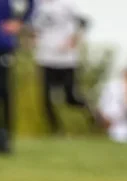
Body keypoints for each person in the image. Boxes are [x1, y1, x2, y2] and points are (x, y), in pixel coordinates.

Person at [32, 0, 94, 136]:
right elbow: (32, 27)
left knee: (70, 97)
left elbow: (83, 23)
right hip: (45, 58)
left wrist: (73, 41)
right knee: (45, 98)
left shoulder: (67, 5)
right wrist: (33, 39)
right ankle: (56, 130)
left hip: (66, 59)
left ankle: (92, 115)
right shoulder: (37, 5)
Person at [0, 0, 31, 154]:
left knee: (3, 92)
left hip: (2, 46)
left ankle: (5, 135)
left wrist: (19, 22)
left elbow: (32, 4)